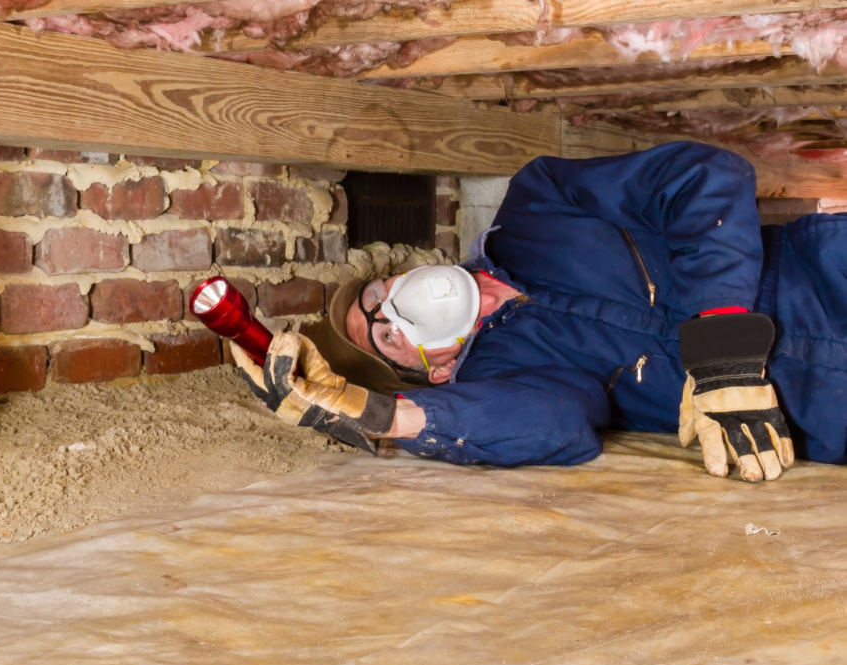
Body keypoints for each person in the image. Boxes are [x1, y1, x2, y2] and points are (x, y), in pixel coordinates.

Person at [233, 141, 847, 482]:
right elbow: (556, 428)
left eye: (377, 297)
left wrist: (722, 347)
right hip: (818, 410)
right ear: (436, 371)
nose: (392, 311)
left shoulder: (537, 203)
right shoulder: (504, 378)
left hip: (825, 276)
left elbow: (702, 177)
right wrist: (383, 415)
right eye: (387, 336)